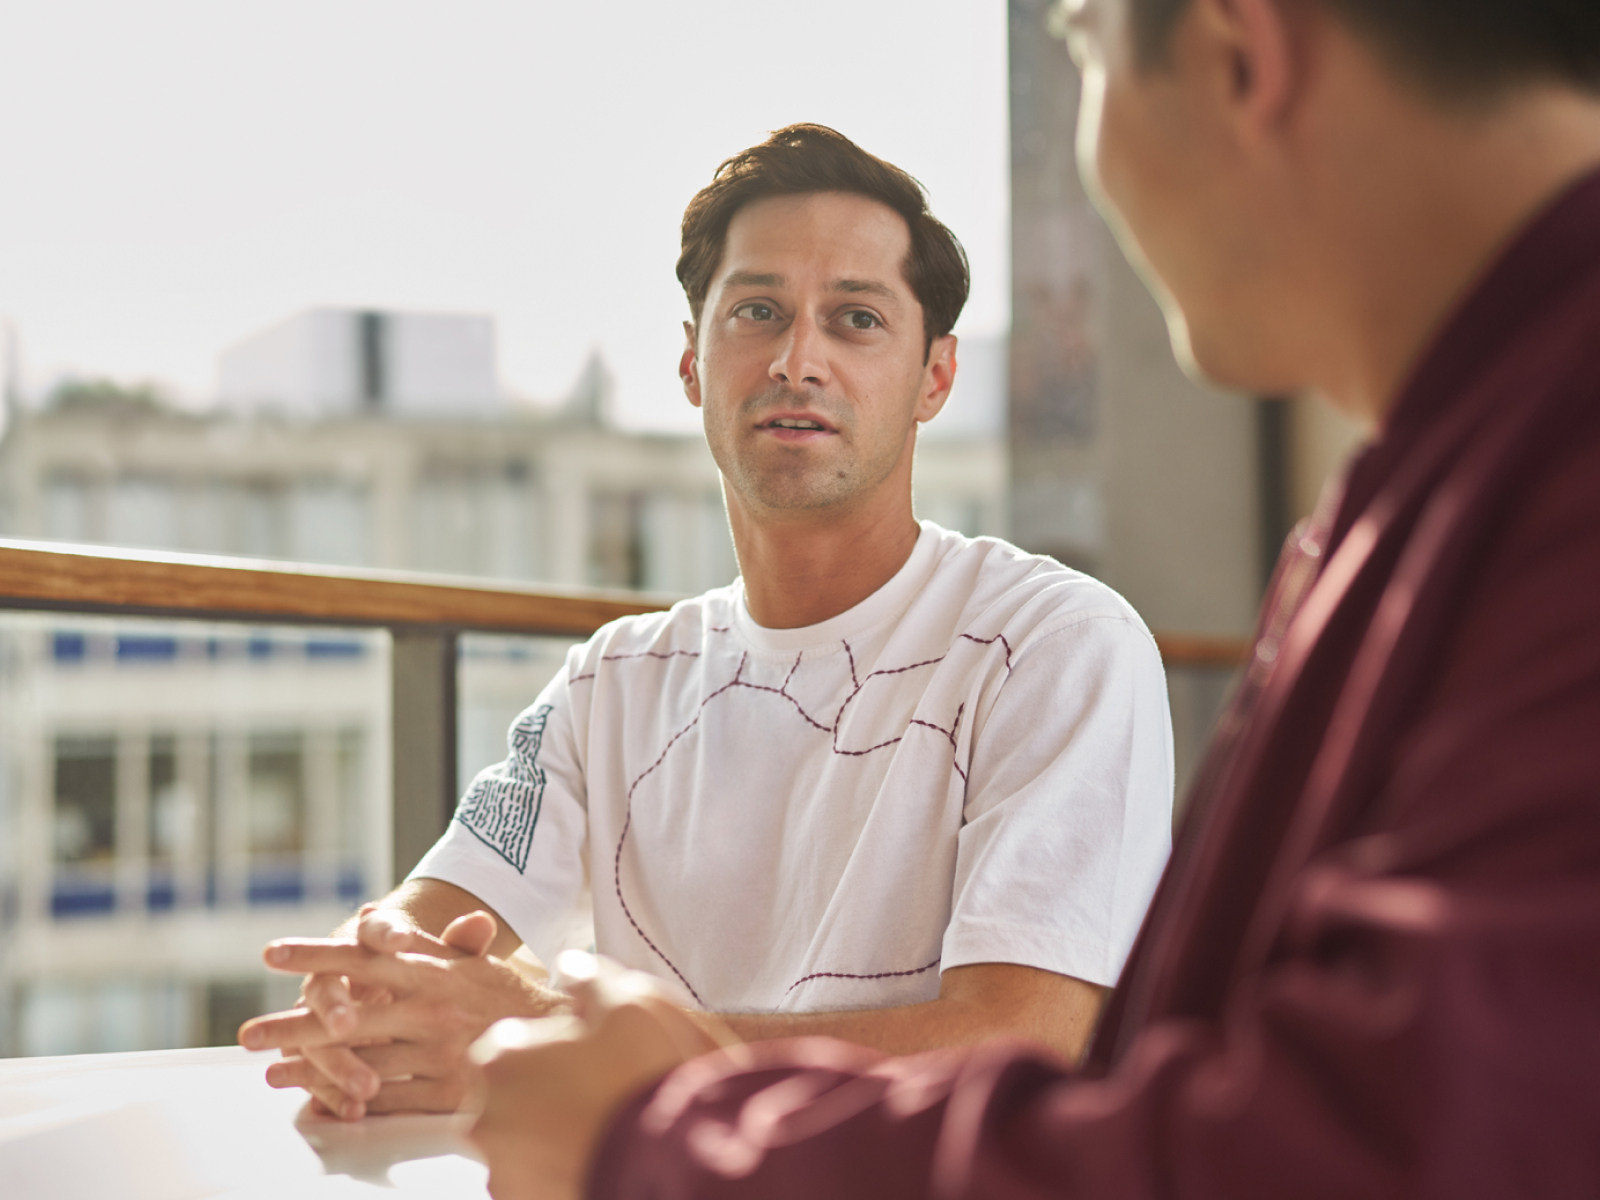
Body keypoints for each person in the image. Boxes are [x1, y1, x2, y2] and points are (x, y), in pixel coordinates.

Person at [464, 1, 1600, 1197]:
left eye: (1081, 49)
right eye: (758, 312)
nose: (799, 359)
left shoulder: (1542, 484)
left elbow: (1371, 1143)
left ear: (1235, 53)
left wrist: (672, 1133)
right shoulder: (1462, 472)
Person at [239, 124, 1175, 1121]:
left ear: (933, 378)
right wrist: (367, 994)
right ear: (691, 363)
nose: (796, 359)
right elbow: (419, 936)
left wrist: (560, 1030)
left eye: (855, 319)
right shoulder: (612, 680)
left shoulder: (1056, 646)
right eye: (757, 311)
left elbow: (1028, 1037)